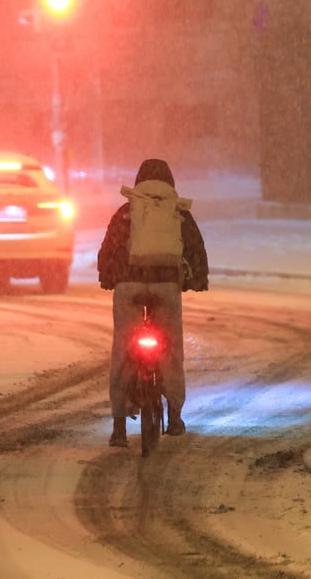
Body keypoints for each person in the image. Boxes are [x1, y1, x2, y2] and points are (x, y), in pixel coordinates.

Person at [98, 158, 209, 447]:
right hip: (165, 285)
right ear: (170, 183)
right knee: (171, 350)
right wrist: (198, 280)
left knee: (122, 350)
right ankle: (173, 416)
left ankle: (119, 426)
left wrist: (109, 278)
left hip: (129, 284)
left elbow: (108, 250)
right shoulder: (178, 211)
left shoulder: (127, 211)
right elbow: (196, 250)